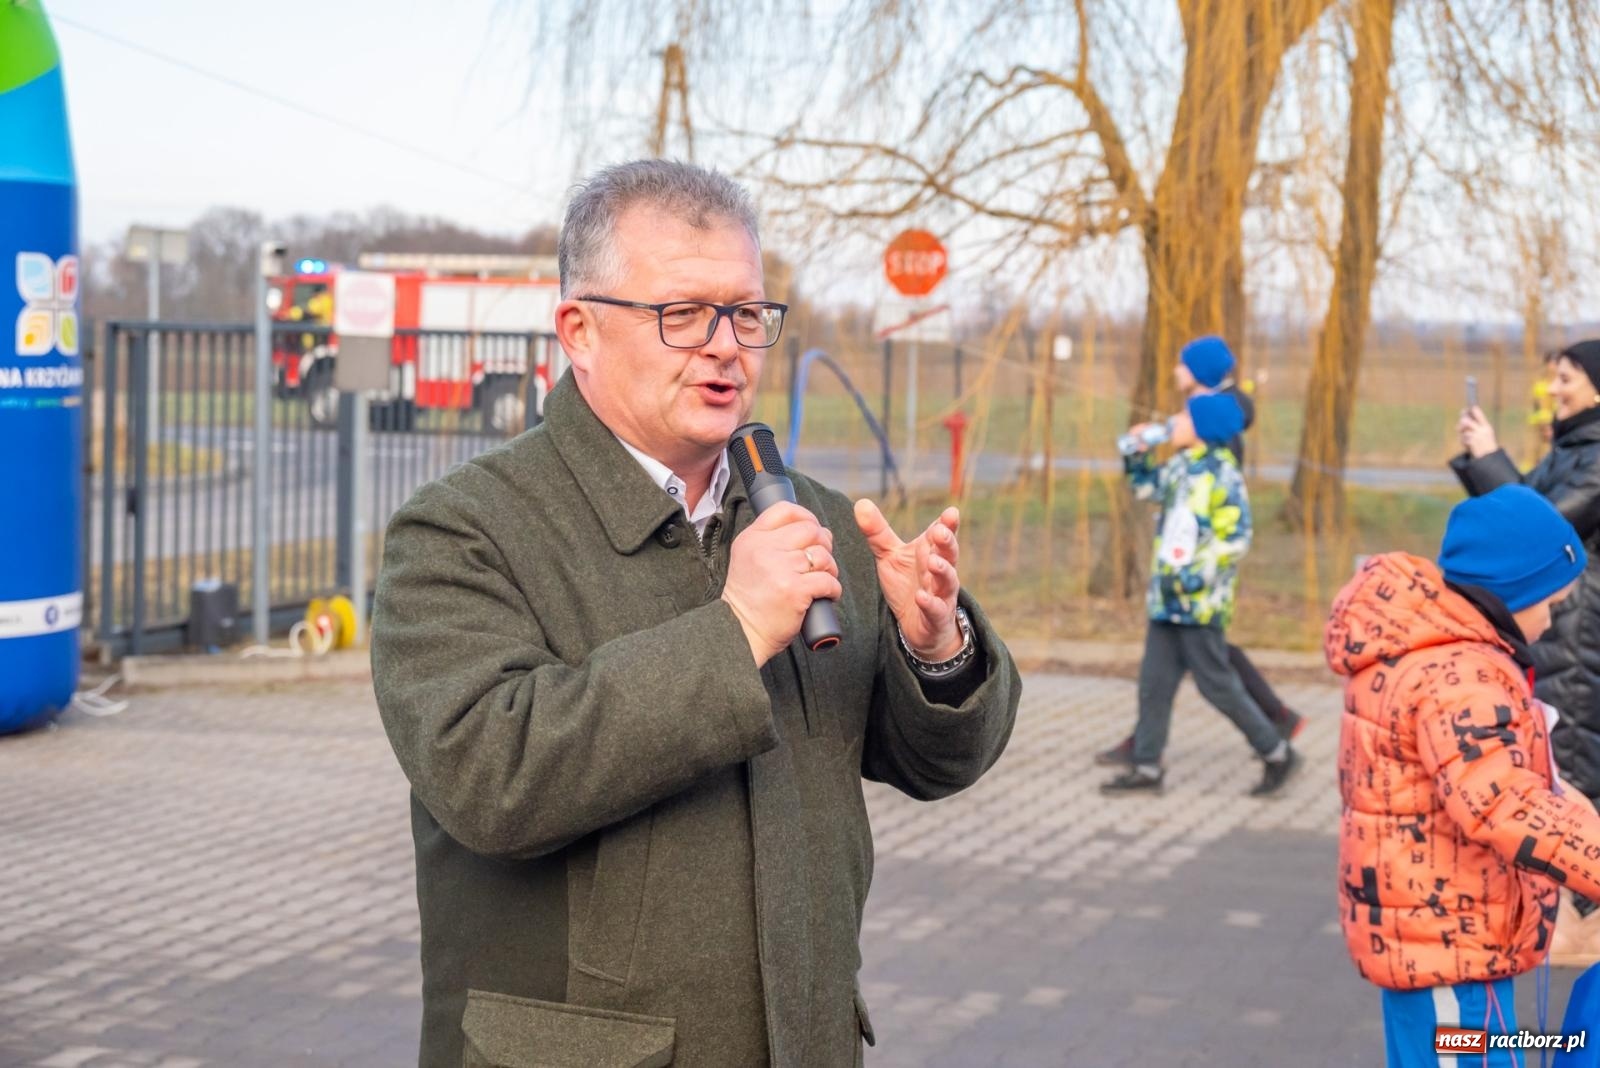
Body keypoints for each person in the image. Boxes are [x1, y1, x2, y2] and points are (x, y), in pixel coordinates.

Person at [369, 160, 1021, 1068]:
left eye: (747, 314)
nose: (725, 346)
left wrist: (936, 650)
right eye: (683, 313)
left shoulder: (814, 521)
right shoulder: (464, 530)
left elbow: (937, 763)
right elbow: (490, 777)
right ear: (580, 331)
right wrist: (737, 630)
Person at [1327, 485, 1600, 1066]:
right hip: (1450, 956)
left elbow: (1504, 781)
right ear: (1511, 593)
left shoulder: (1433, 654)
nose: (1551, 622)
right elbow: (1505, 805)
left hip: (1443, 946)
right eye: (1550, 604)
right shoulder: (1460, 677)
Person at [1097, 336, 1303, 772]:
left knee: (1216, 684)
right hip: (1166, 598)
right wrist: (1136, 457)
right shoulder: (1180, 466)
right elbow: (1146, 489)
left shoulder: (1222, 474)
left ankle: (1276, 751)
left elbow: (1235, 538)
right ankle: (1147, 765)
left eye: (1184, 418)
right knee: (1154, 682)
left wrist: (1196, 575)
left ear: (1202, 426)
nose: (1174, 422)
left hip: (1199, 600)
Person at [1453, 341, 1600, 814]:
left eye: (1566, 379)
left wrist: (1490, 456)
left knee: (1571, 764)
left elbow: (1539, 529)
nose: (1552, 389)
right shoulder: (1573, 448)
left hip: (1579, 633)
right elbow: (1518, 508)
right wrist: (1483, 458)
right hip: (1556, 625)